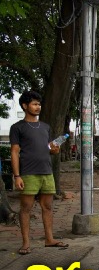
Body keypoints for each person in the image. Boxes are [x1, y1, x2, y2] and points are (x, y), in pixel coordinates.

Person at [10, 90, 69, 255]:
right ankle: (26, 243)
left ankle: (49, 239)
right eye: (34, 104)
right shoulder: (17, 128)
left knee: (48, 206)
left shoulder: (45, 127)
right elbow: (14, 152)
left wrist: (55, 150)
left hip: (47, 172)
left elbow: (49, 150)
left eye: (39, 104)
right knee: (26, 208)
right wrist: (17, 176)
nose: (38, 107)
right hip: (28, 173)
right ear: (25, 106)